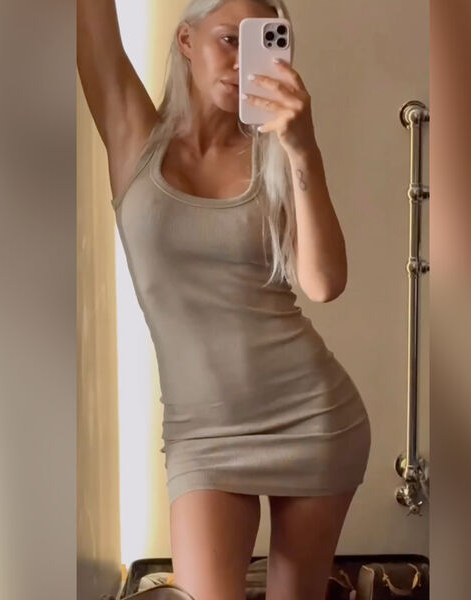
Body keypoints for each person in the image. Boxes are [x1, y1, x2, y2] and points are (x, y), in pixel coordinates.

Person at [77, 1, 372, 599]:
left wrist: (303, 149)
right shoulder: (136, 139)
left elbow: (324, 284)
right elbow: (89, 23)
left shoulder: (278, 154)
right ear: (186, 41)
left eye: (260, 41)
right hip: (202, 435)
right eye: (228, 40)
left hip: (313, 418)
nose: (241, 60)